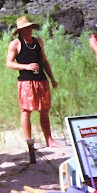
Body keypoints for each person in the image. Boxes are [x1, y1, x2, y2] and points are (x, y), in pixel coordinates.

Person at [6, 16, 60, 148]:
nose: (28, 30)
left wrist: (52, 79)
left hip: (41, 79)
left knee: (44, 110)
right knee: (26, 111)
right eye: (25, 28)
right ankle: (29, 142)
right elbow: (9, 63)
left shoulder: (38, 42)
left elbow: (44, 61)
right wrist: (26, 66)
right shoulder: (16, 44)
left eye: (29, 28)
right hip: (26, 81)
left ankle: (49, 140)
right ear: (20, 30)